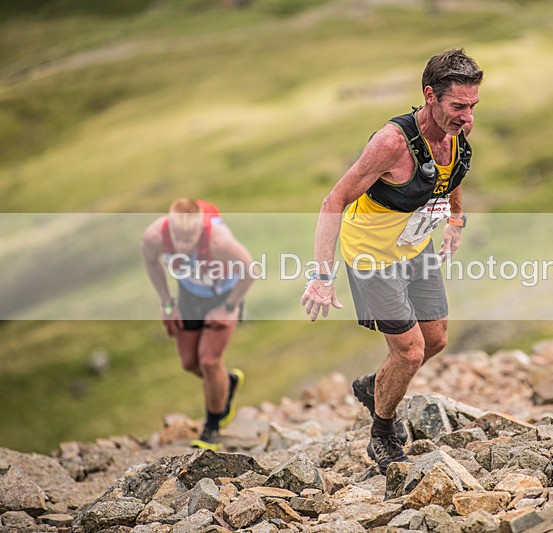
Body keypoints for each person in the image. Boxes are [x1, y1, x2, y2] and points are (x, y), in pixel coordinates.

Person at [301, 49, 483, 473]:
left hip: (414, 249)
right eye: (458, 106)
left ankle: (375, 386)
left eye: (473, 105)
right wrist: (322, 276)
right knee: (410, 351)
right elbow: (333, 201)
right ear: (430, 96)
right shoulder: (391, 144)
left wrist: (455, 219)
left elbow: (452, 174)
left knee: (435, 340)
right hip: (371, 256)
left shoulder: (456, 130)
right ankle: (382, 433)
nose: (467, 117)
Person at [141, 198, 256, 450]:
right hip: (190, 294)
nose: (182, 245)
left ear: (200, 229)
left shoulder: (218, 241)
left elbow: (250, 270)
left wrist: (229, 307)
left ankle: (212, 428)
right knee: (189, 363)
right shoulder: (154, 237)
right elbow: (151, 262)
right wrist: (167, 304)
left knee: (209, 361)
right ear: (169, 228)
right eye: (177, 238)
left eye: (189, 238)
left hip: (224, 295)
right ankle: (226, 382)